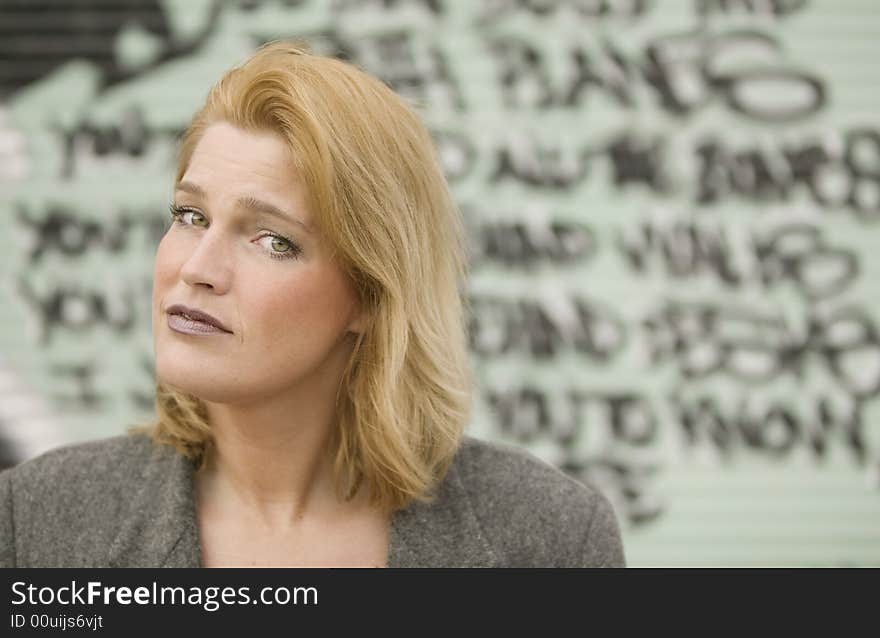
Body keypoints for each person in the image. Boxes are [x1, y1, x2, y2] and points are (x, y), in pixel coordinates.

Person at [0, 41, 624, 568]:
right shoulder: (35, 524)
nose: (196, 268)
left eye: (273, 240)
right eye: (191, 216)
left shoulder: (552, 538)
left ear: (371, 295)